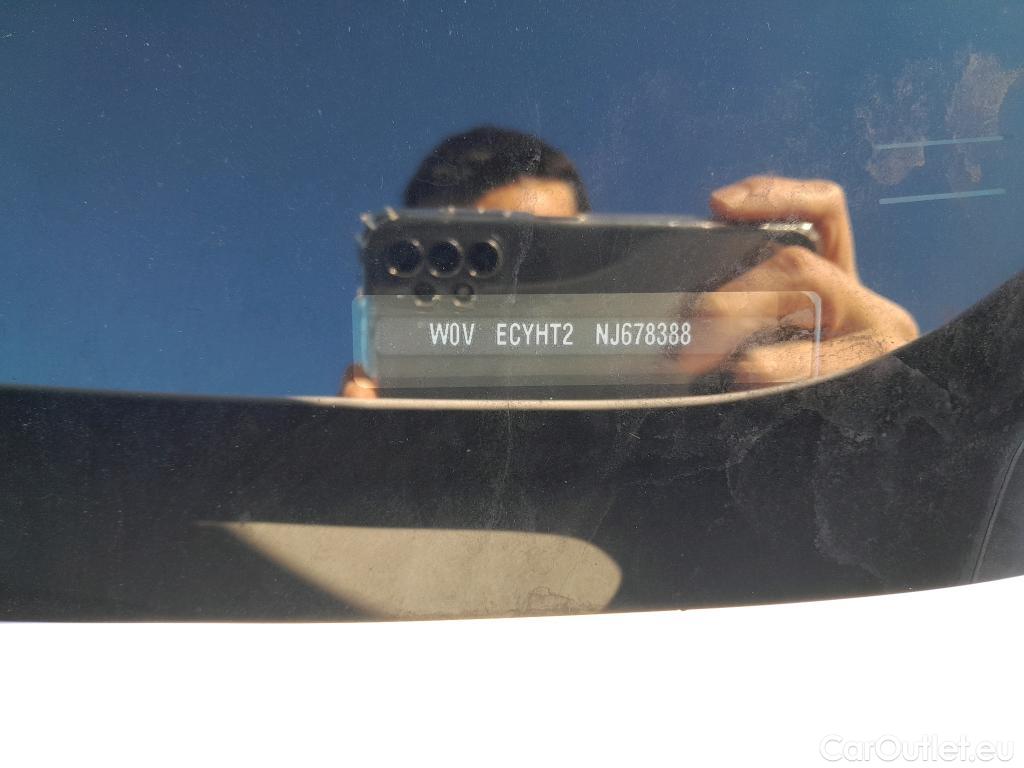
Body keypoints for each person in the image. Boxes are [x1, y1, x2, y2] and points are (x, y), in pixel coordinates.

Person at [341, 125, 918, 397]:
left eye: (552, 264)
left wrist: (883, 405)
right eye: (491, 284)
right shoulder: (381, 451)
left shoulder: (711, 414)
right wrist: (359, 470)